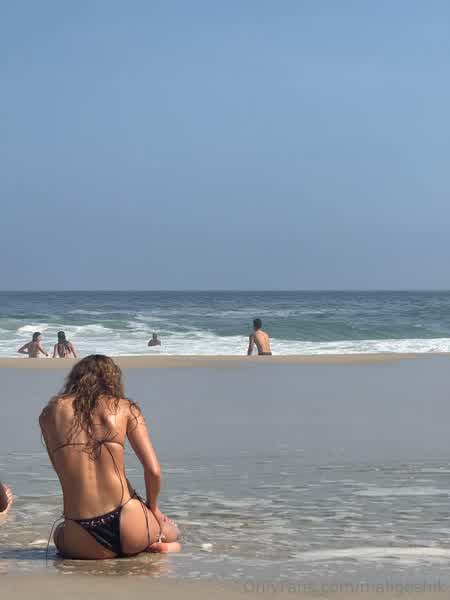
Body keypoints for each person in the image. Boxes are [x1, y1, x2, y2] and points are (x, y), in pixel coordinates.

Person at [39, 354, 180, 559]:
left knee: (59, 532)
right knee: (172, 531)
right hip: (130, 523)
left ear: (75, 378)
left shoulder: (50, 413)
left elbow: (62, 472)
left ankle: (121, 546)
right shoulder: (124, 407)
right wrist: (153, 508)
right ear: (112, 379)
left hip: (80, 536)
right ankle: (160, 546)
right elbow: (154, 471)